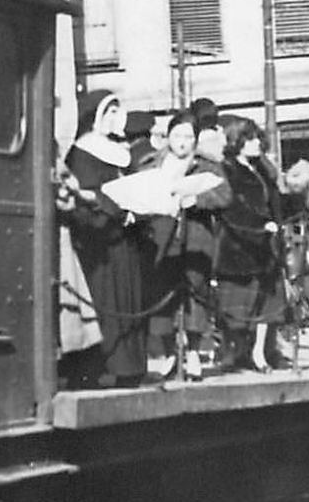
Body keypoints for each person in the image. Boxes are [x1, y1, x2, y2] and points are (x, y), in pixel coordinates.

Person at [61, 90, 152, 389]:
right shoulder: (83, 153)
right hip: (100, 245)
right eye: (109, 111)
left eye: (117, 110)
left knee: (129, 301)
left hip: (125, 240)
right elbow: (86, 200)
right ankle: (110, 366)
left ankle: (131, 366)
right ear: (95, 118)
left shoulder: (120, 151)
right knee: (107, 303)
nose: (116, 116)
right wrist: (114, 211)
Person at [144, 111, 232, 381]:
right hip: (162, 239)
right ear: (167, 137)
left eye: (188, 136)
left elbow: (224, 195)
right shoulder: (151, 164)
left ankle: (193, 353)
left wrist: (197, 200)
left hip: (196, 239)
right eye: (177, 135)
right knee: (163, 294)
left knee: (196, 294)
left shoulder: (207, 165)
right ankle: (170, 353)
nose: (182, 142)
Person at [213, 116, 298, 372]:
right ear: (236, 141)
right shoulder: (227, 170)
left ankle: (259, 353)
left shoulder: (262, 169)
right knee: (238, 307)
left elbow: (277, 205)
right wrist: (260, 227)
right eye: (250, 138)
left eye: (257, 137)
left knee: (267, 308)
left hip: (266, 249)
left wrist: (297, 193)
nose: (257, 142)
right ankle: (236, 354)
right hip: (240, 247)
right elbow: (231, 209)